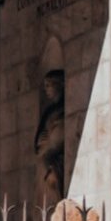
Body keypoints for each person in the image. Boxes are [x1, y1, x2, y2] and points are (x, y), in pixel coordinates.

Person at [35, 70, 68, 205]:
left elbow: (59, 135)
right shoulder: (50, 111)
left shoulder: (63, 108)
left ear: (60, 84)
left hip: (54, 162)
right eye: (45, 86)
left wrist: (47, 145)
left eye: (49, 85)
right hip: (46, 159)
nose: (46, 90)